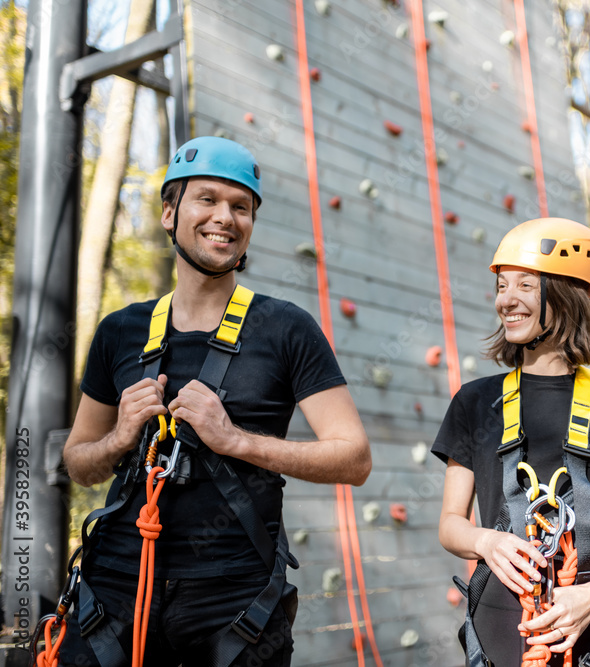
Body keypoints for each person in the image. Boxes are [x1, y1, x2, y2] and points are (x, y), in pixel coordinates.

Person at [58, 136, 371, 666]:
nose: (225, 217)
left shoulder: (285, 328)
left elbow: (354, 458)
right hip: (116, 585)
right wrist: (120, 436)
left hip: (234, 599)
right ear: (168, 212)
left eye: (240, 206)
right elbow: (78, 462)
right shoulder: (121, 330)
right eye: (207, 199)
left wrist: (234, 440)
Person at [433, 217, 590, 666]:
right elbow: (450, 523)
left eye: (525, 286)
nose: (506, 300)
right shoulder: (475, 403)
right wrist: (486, 541)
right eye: (502, 286)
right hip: (502, 634)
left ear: (566, 294)